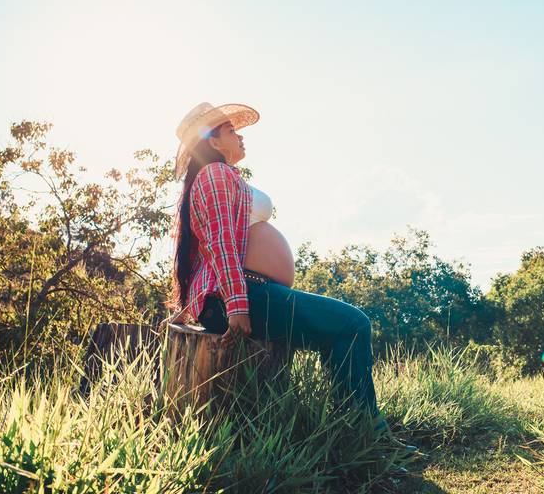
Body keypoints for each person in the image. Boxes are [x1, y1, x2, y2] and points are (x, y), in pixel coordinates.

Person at [167, 102, 416, 453]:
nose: (241, 137)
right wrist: (237, 306)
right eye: (232, 131)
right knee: (353, 323)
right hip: (238, 296)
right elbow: (221, 242)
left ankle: (355, 432)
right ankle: (366, 434)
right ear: (214, 141)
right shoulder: (216, 175)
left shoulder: (220, 176)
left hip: (242, 293)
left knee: (338, 333)